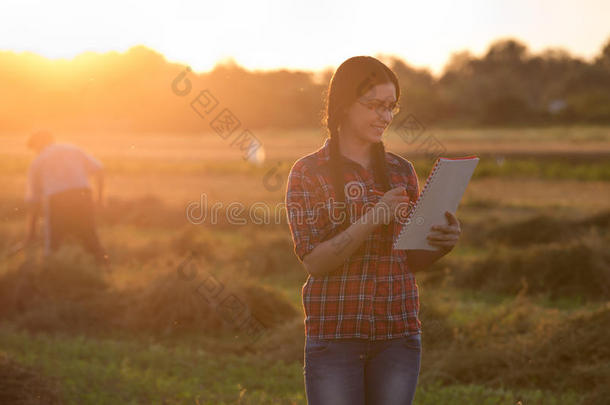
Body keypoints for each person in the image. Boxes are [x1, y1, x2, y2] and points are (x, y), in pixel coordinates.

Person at [285, 56, 462, 405]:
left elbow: (407, 259)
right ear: (344, 105)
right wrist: (374, 216)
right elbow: (315, 262)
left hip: (398, 335)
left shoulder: (401, 171)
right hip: (335, 336)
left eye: (391, 107)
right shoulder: (308, 173)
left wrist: (441, 243)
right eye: (375, 105)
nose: (385, 116)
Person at [21, 130, 109, 267]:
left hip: (57, 199)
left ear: (38, 144)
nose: (35, 151)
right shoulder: (72, 149)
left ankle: (49, 271)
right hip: (83, 196)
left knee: (53, 241)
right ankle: (105, 267)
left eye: (34, 148)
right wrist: (100, 198)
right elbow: (99, 170)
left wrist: (31, 233)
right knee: (90, 235)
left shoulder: (37, 162)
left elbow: (34, 201)